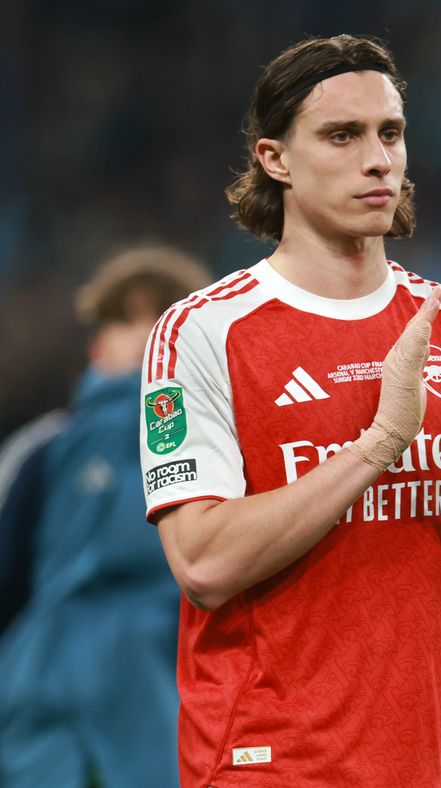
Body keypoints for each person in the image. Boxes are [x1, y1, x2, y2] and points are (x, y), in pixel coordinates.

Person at [140, 35, 441, 787]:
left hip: (426, 764)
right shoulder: (203, 331)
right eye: (343, 135)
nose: (379, 160)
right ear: (276, 160)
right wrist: (379, 445)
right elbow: (202, 562)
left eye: (390, 133)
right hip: (266, 765)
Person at [0, 246, 210, 787]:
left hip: (166, 689)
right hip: (38, 689)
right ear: (96, 346)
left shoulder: (225, 446)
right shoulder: (43, 450)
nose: (144, 332)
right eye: (126, 317)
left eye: (163, 314)